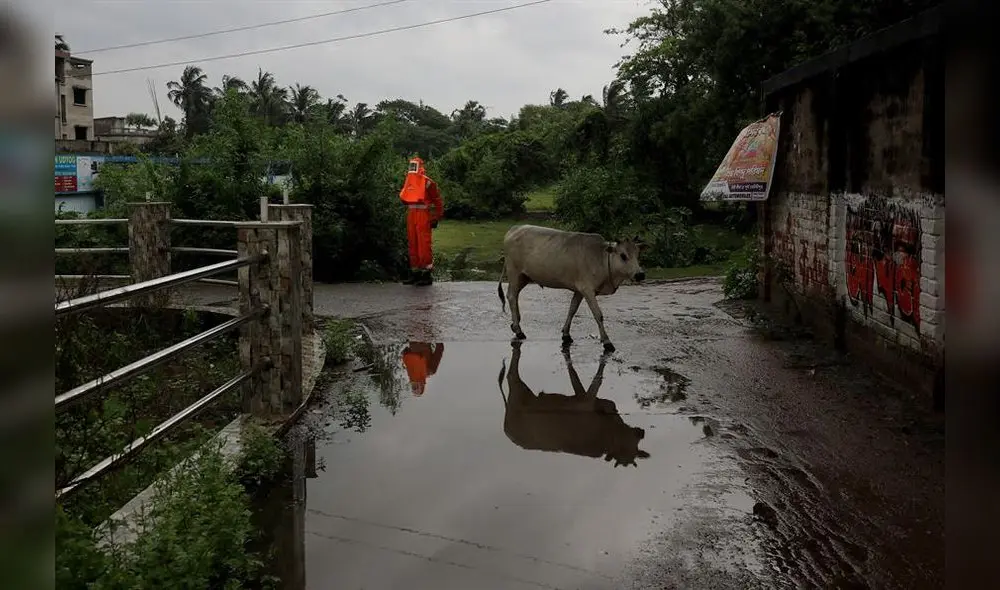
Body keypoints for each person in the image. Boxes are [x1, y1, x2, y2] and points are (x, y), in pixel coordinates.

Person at [398, 156, 444, 286]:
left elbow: (437, 200)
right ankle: (415, 274)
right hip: (412, 214)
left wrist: (435, 217)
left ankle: (426, 275)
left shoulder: (428, 182)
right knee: (413, 245)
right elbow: (403, 197)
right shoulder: (409, 181)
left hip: (423, 215)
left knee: (423, 245)